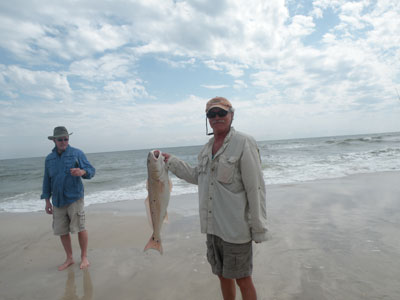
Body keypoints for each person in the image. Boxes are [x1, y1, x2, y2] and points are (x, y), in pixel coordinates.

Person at [162, 97, 268, 300]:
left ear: (232, 115)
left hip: (235, 229)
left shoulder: (244, 142)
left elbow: (255, 188)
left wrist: (259, 227)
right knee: (222, 276)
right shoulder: (206, 148)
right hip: (213, 228)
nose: (217, 117)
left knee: (243, 279)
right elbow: (197, 176)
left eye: (221, 113)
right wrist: (171, 161)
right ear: (207, 118)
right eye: (212, 114)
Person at [41, 126, 95, 271]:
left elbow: (91, 171)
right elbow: (47, 180)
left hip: (74, 198)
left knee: (80, 228)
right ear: (54, 140)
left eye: (66, 139)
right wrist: (47, 201)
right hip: (57, 201)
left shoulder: (77, 153)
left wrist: (81, 171)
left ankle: (84, 257)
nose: (63, 141)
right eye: (60, 139)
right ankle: (69, 258)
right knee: (62, 230)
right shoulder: (49, 159)